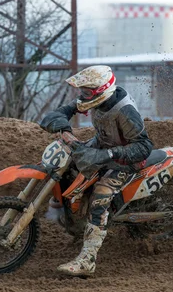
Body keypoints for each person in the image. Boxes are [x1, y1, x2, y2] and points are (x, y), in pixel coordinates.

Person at [40, 65, 153, 277]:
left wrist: (108, 156)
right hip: (102, 146)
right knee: (69, 164)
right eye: (81, 91)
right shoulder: (96, 99)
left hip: (126, 160)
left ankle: (88, 259)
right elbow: (64, 110)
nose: (82, 96)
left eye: (86, 91)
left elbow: (144, 146)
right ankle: (72, 216)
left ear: (102, 89)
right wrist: (61, 124)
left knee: (101, 192)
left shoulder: (124, 110)